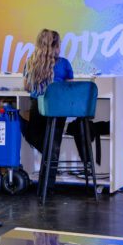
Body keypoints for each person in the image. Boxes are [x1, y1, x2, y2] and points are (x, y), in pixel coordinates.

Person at [21, 29, 94, 166]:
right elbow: (69, 90)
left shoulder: (30, 63)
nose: (60, 49)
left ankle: (47, 152)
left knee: (34, 135)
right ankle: (49, 182)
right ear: (53, 47)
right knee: (54, 144)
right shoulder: (64, 64)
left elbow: (27, 88)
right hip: (59, 109)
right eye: (59, 45)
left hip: (38, 106)